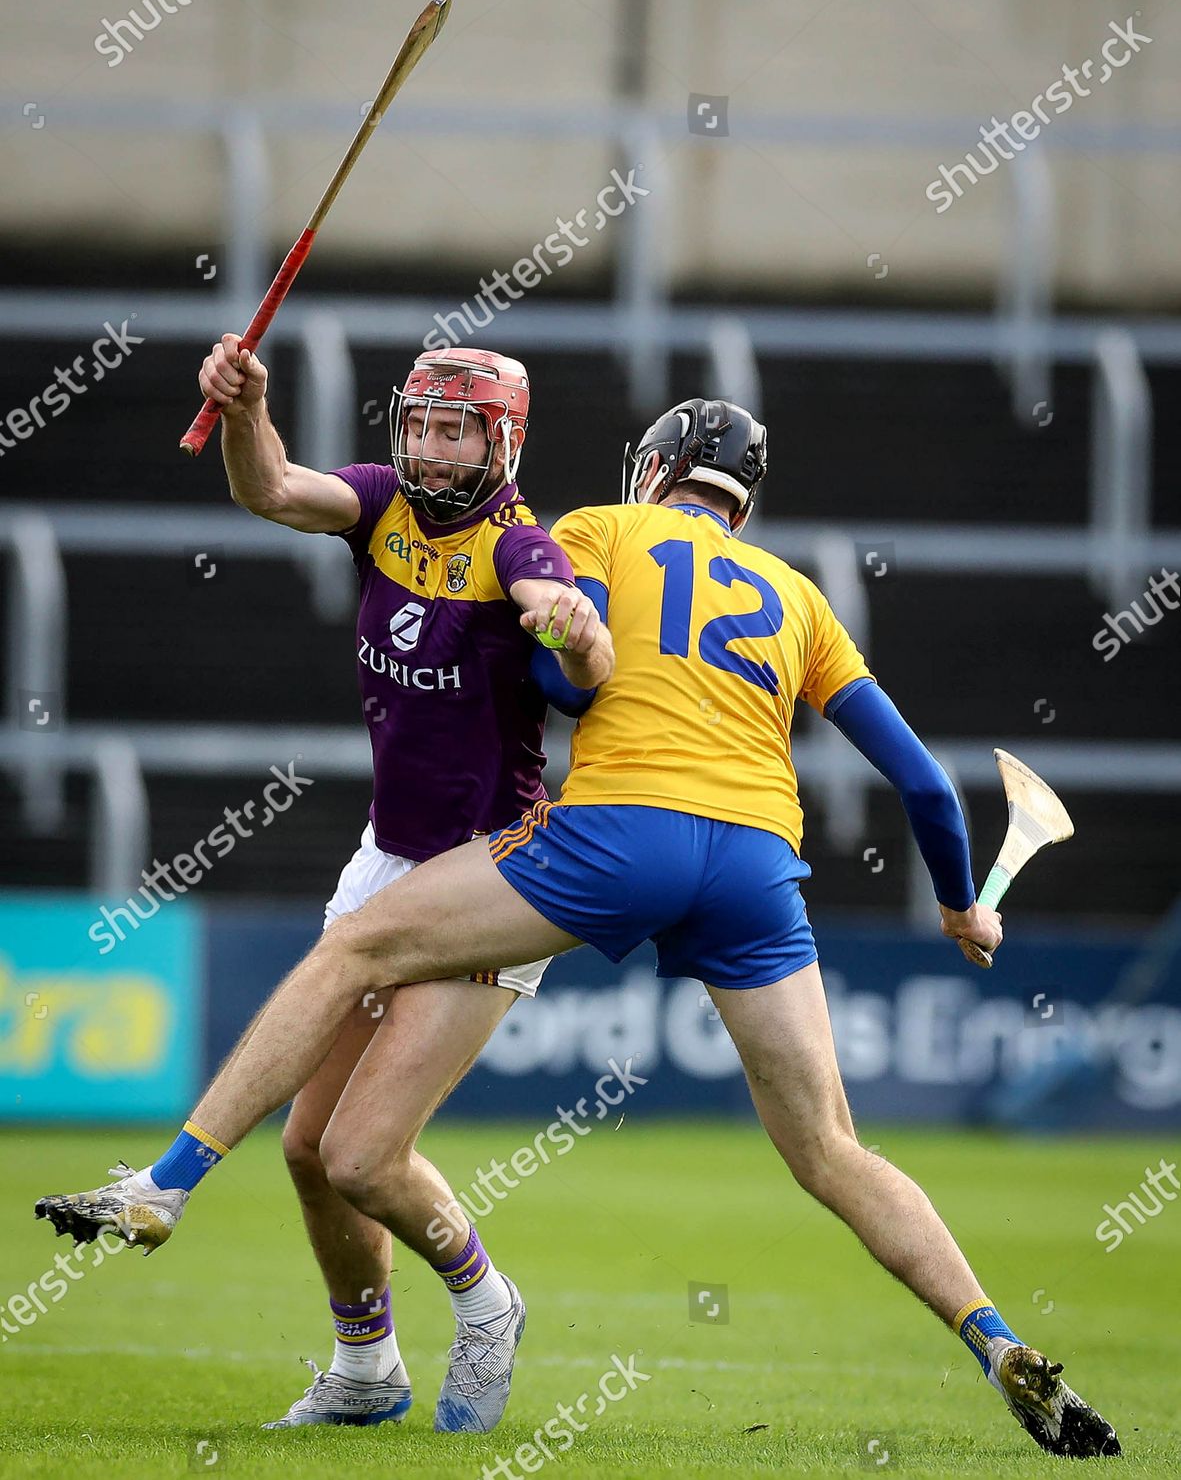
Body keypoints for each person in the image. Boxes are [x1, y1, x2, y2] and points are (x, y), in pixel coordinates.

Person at [38, 398, 1117, 1459]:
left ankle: (170, 1180)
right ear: (740, 505)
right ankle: (995, 1339)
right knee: (831, 1150)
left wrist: (568, 637)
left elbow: (560, 682)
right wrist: (958, 904)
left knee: (357, 942)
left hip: (617, 838)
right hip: (753, 864)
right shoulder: (798, 596)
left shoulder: (596, 528)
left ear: (653, 470)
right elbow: (925, 785)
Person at [107, 335, 607, 1434]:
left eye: (454, 429)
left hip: (488, 874)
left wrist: (573, 632)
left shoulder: (521, 543)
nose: (429, 449)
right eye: (420, 425)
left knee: (363, 1153)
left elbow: (580, 650)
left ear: (502, 439)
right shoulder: (377, 505)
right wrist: (246, 406)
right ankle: (365, 1371)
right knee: (306, 1150)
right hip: (387, 858)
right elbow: (273, 488)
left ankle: (485, 1303)